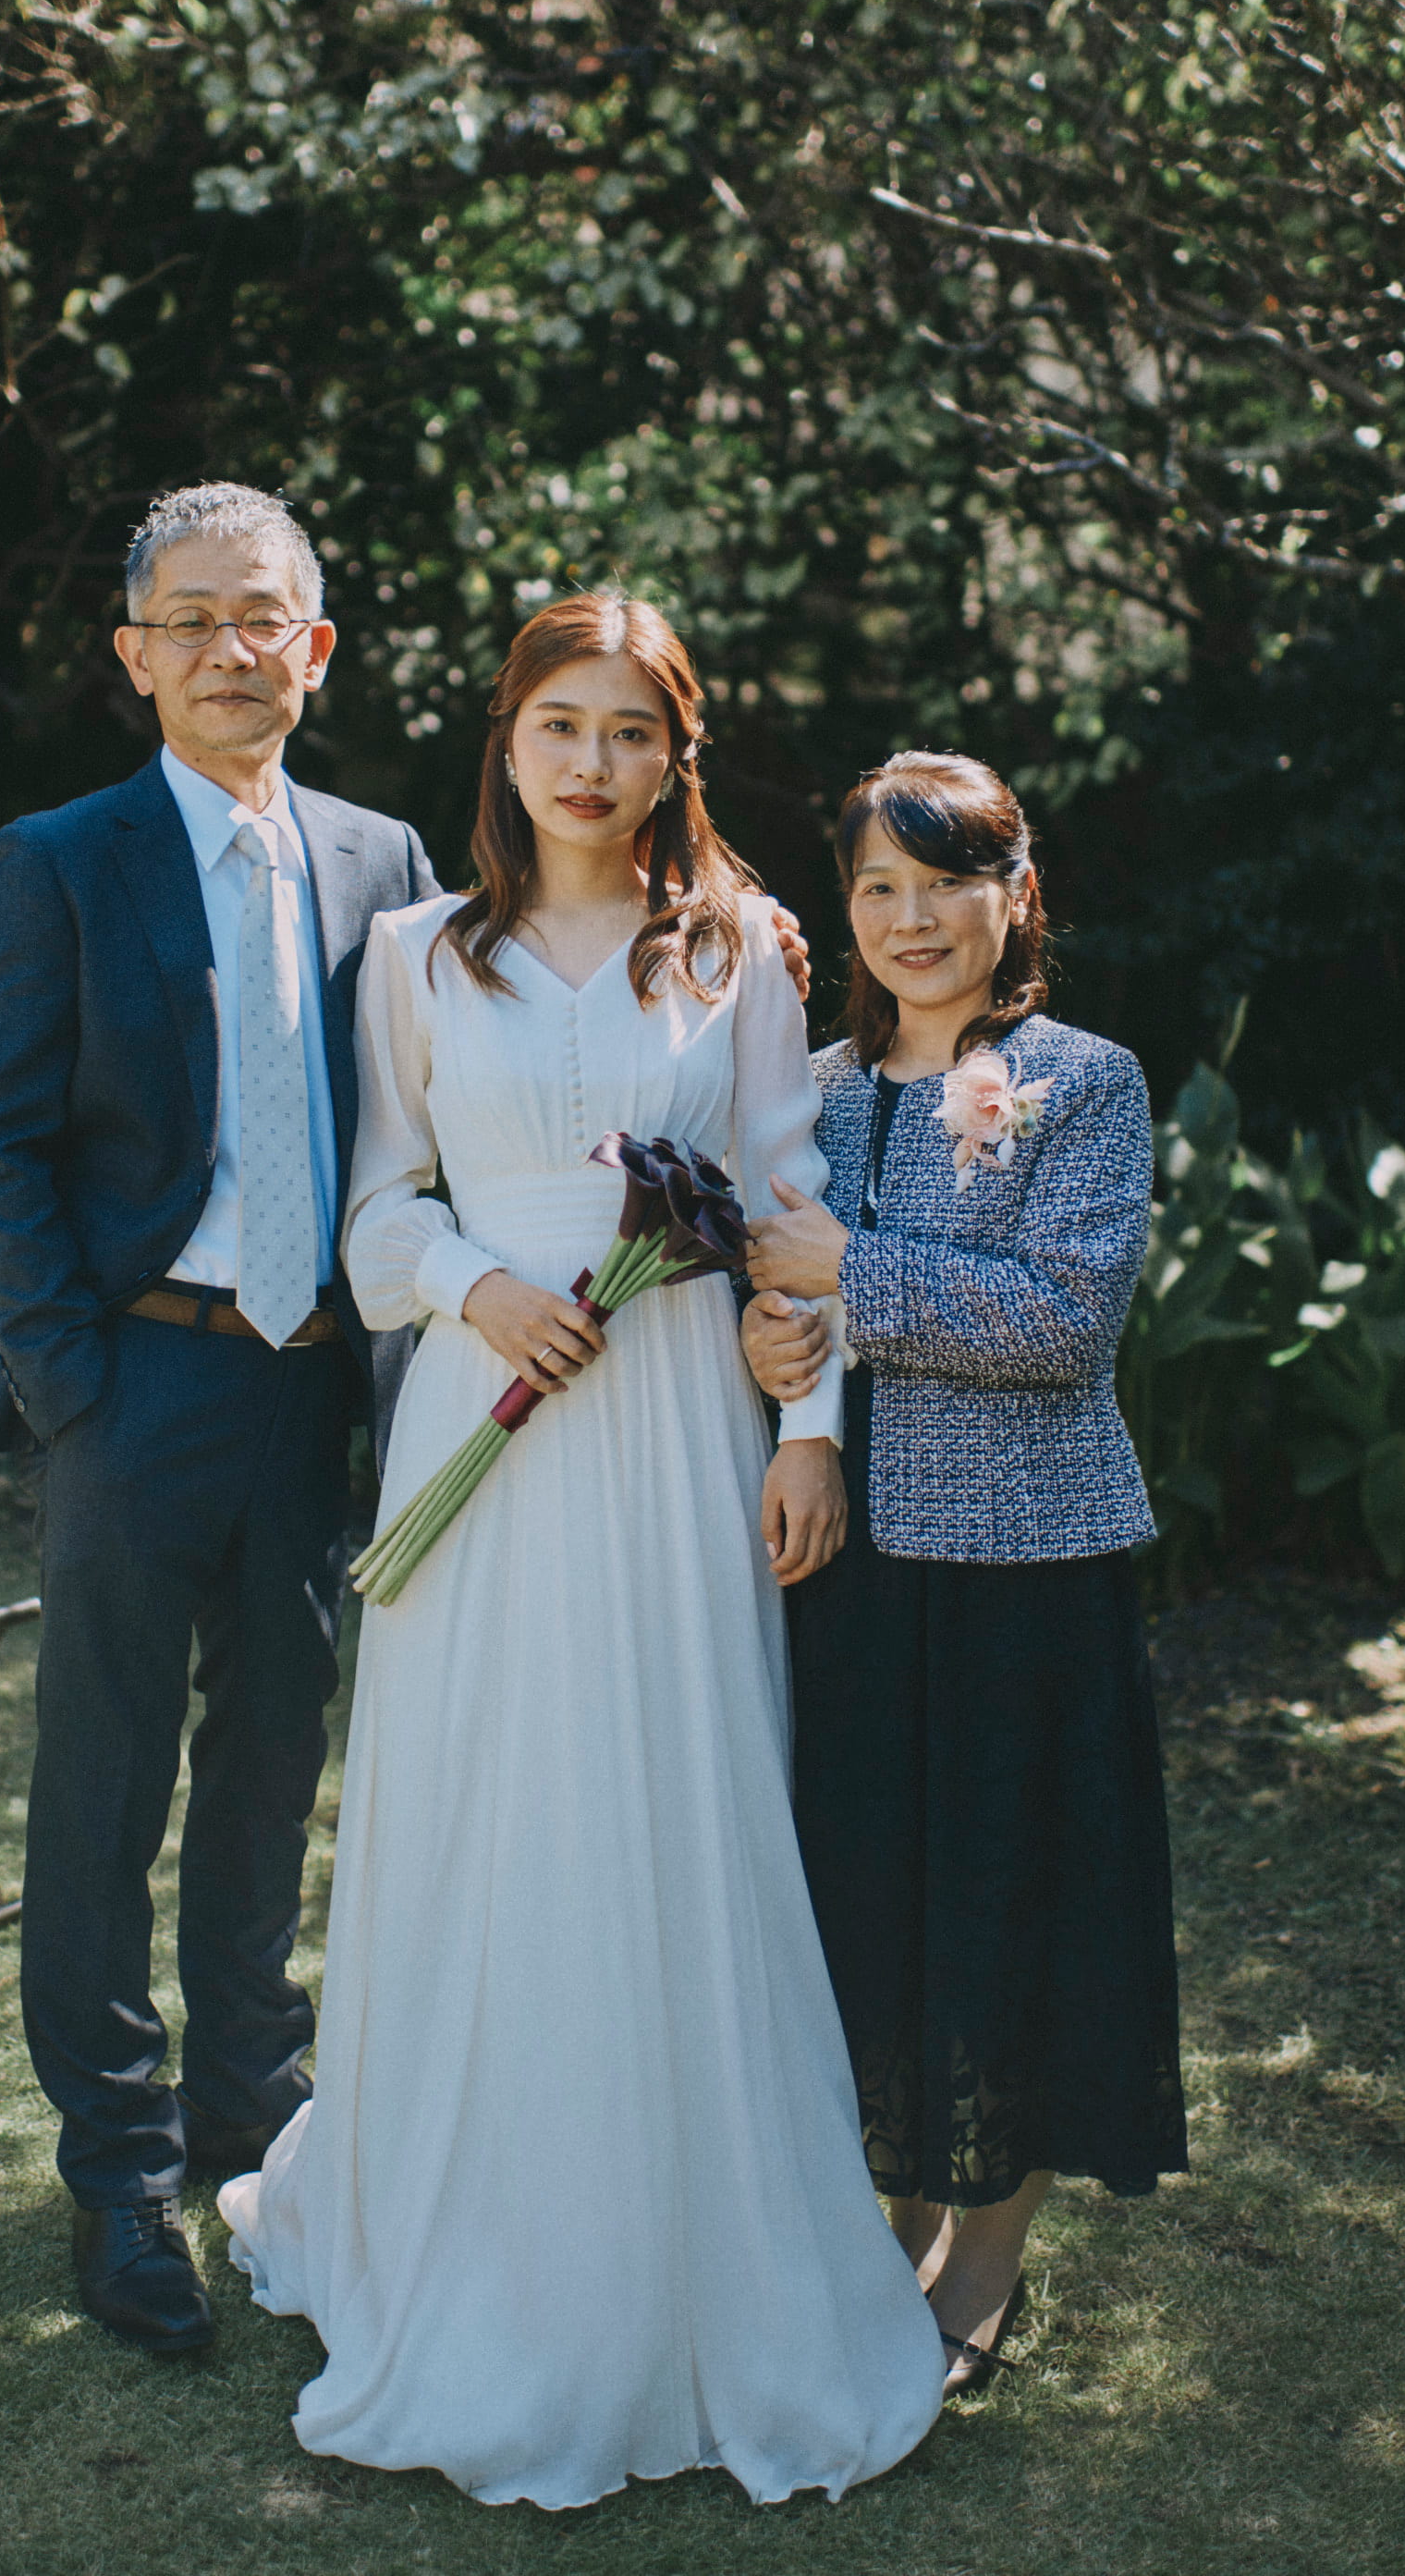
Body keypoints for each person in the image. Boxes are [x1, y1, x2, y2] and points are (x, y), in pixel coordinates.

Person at [0, 488, 810, 2356]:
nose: (235, 652)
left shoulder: (382, 861)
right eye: (194, 622)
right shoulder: (60, 858)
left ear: (319, 649)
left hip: (325, 1381)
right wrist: (71, 1385)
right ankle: (118, 2174)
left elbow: (435, 1117)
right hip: (137, 1374)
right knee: (104, 1785)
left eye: (269, 621)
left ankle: (257, 2111)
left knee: (269, 1775)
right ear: (137, 652)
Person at [217, 595, 944, 2507]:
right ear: (509, 740)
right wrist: (474, 1285)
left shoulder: (738, 960)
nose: (594, 762)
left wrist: (807, 1431)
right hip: (488, 1418)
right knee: (486, 1815)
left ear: (671, 758)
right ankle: (463, 2241)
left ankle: (697, 2275)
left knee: (672, 1813)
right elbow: (378, 1211)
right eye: (563, 723)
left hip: (682, 1426)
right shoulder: (410, 957)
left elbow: (789, 1207)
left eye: (633, 731)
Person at [742, 750, 1188, 2397]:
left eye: (944, 884)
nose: (911, 919)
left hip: (1025, 1564)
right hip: (848, 1571)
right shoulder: (812, 1084)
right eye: (878, 887)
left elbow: (1063, 1324)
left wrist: (849, 1270)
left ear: (1014, 897)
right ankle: (890, 2221)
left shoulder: (1082, 1080)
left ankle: (984, 2262)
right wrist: (776, 1342)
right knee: (870, 1904)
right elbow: (785, 1324)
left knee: (1007, 1907)